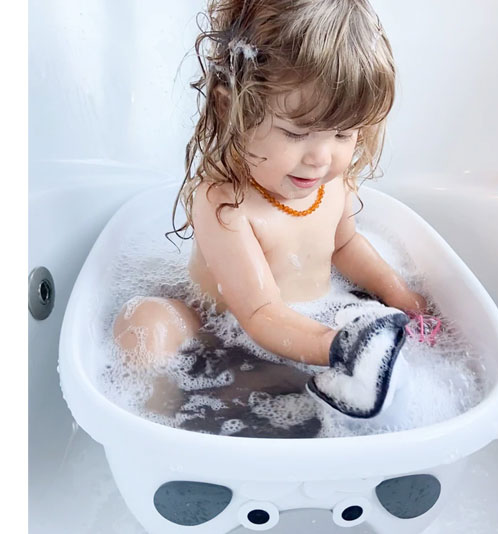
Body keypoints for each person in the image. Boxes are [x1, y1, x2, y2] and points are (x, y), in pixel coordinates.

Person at [113, 0, 427, 412]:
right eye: (297, 133)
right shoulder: (226, 203)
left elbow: (345, 245)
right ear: (232, 109)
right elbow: (260, 312)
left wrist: (400, 295)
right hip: (220, 336)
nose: (321, 158)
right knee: (142, 325)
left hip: (307, 331)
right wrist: (339, 348)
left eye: (343, 134)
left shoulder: (330, 183)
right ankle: (161, 414)